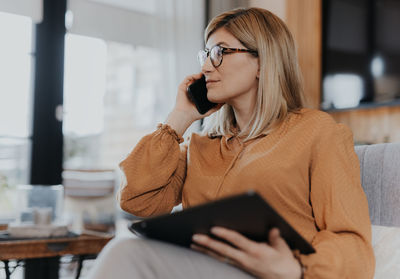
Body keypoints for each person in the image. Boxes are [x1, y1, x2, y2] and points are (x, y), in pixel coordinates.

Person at [88, 7, 375, 279]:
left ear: (263, 62)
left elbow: (353, 243)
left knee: (127, 253)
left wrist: (298, 268)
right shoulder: (200, 145)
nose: (205, 67)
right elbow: (136, 199)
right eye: (205, 53)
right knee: (128, 249)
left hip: (272, 274)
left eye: (219, 53)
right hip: (201, 267)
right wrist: (179, 118)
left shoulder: (317, 132)